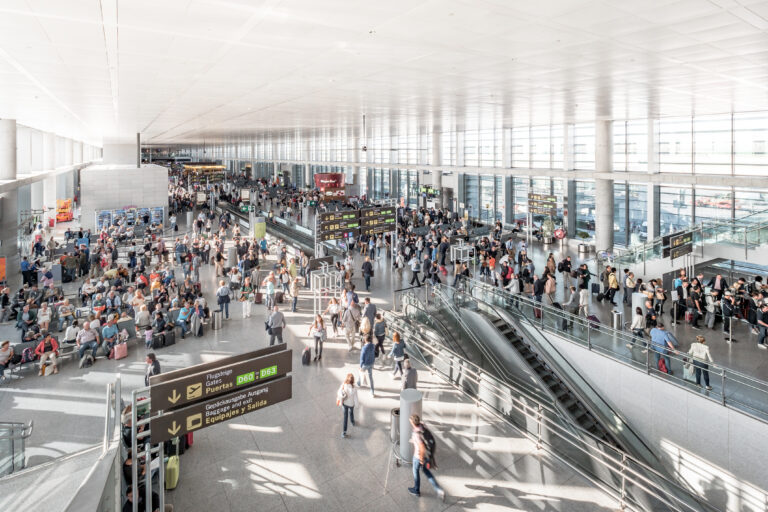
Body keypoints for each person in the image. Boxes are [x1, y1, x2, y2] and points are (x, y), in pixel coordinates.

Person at [408, 414, 445, 500]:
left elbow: (422, 447)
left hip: (419, 457)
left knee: (415, 472)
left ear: (413, 423)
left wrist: (420, 459)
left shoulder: (416, 434)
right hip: (428, 455)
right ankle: (439, 490)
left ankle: (416, 490)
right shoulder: (423, 425)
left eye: (411, 422)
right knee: (427, 472)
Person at [337, 373, 358, 438]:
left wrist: (341, 396)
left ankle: (344, 432)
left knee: (345, 417)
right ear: (353, 380)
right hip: (351, 404)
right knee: (351, 412)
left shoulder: (343, 384)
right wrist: (357, 405)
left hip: (344, 403)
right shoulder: (354, 388)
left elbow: (339, 392)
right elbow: (355, 398)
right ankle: (352, 422)